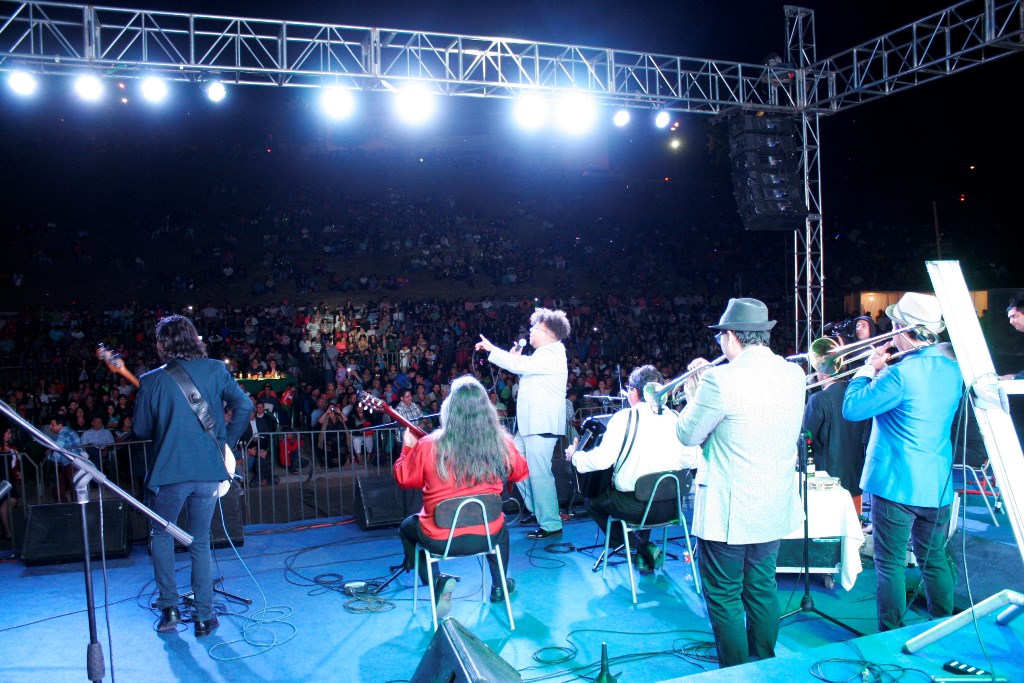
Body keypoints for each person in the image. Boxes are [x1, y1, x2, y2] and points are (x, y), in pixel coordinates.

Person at [674, 297, 805, 668]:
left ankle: (734, 672)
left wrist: (692, 397)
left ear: (732, 336)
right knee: (762, 588)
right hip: (773, 503)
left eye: (721, 336)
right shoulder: (794, 374)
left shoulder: (719, 379)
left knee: (725, 595)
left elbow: (687, 434)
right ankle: (764, 663)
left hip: (729, 510)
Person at [122, 314, 252, 638]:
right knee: (200, 541)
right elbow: (245, 407)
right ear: (194, 339)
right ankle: (205, 616)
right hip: (208, 471)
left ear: (162, 344)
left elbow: (141, 429)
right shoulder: (216, 369)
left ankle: (169, 610)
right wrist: (226, 442)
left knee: (162, 536)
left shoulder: (151, 380)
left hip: (168, 473)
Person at [842, 292, 963, 633]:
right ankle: (942, 628)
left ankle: (891, 634)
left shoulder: (900, 374)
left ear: (900, 328)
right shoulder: (954, 369)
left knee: (890, 564)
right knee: (933, 559)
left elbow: (852, 408)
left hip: (896, 485)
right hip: (937, 484)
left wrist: (868, 369)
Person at [394, 376, 529, 617]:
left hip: (440, 539)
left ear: (449, 408)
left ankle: (436, 584)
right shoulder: (500, 443)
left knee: (406, 529)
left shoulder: (428, 445)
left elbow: (403, 479)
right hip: (487, 536)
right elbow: (521, 472)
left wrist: (407, 447)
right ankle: (499, 586)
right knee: (501, 528)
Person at [566, 364, 699, 572]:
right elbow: (693, 460)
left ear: (634, 392)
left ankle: (641, 548)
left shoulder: (624, 418)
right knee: (643, 491)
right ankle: (643, 557)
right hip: (672, 506)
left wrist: (575, 456)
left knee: (593, 501)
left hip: (637, 508)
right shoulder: (675, 417)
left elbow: (601, 461)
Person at [476, 308, 570, 540]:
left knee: (540, 475)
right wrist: (516, 359)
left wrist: (493, 349)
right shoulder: (542, 356)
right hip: (529, 426)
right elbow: (524, 368)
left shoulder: (552, 353)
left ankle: (550, 523)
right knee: (515, 464)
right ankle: (538, 511)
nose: (530, 332)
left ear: (547, 332)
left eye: (534, 328)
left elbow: (522, 366)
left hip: (542, 425)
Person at [802, 357, 871, 515]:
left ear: (825, 374)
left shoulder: (818, 398)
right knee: (853, 521)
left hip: (827, 476)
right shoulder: (858, 396)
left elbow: (807, 436)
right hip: (855, 474)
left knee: (829, 522)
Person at [46, 413, 85, 503]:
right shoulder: (66, 432)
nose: (50, 427)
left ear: (60, 425)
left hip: (72, 464)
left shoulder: (63, 434)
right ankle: (71, 508)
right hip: (69, 464)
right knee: (59, 492)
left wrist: (48, 456)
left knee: (71, 490)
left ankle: (75, 508)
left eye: (52, 425)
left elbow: (57, 456)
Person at [1, 427, 21, 541]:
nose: (9, 435)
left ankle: (4, 524)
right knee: (3, 503)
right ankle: (7, 530)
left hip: (8, 479)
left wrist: (17, 472)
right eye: (7, 433)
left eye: (10, 433)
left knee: (13, 500)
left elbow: (14, 465)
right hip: (1, 479)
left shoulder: (12, 448)